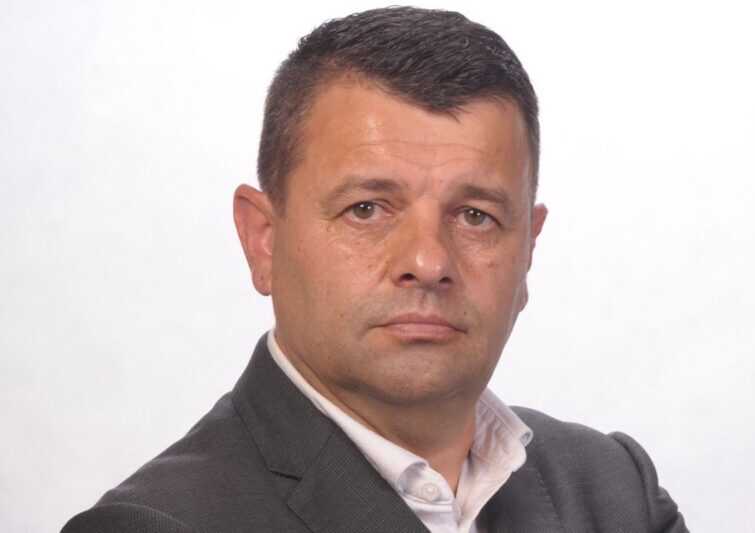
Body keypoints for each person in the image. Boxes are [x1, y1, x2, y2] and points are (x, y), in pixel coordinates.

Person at [62, 6, 687, 533]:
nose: (428, 262)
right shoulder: (156, 524)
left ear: (528, 249)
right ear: (263, 240)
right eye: (366, 208)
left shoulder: (615, 493)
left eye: (476, 215)